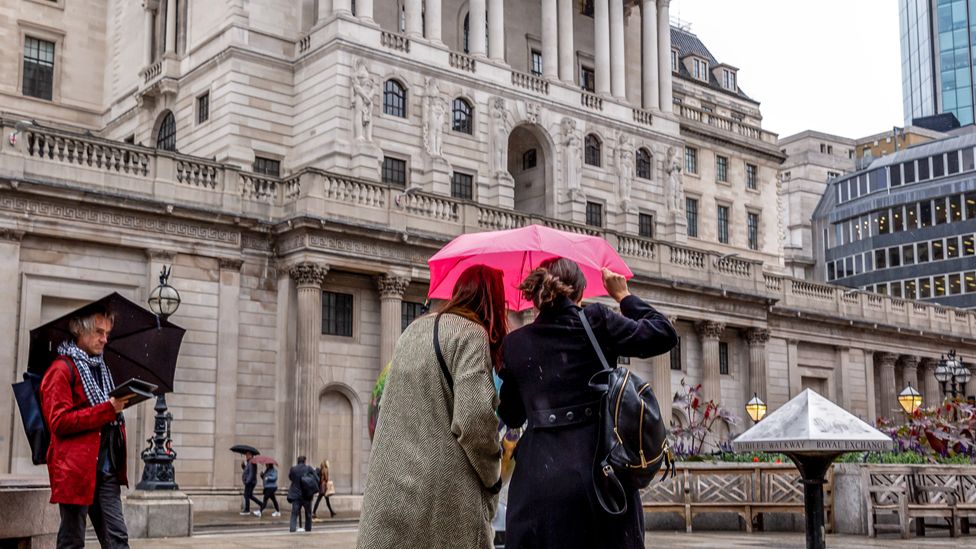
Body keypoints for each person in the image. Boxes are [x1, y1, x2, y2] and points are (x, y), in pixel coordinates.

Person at [498, 258, 678, 549]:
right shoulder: (596, 321)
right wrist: (624, 296)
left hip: (538, 484)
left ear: (537, 295)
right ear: (580, 292)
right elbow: (664, 334)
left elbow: (512, 415)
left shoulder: (515, 343)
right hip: (597, 476)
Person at [358, 265, 509, 549]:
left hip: (391, 489)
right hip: (442, 499)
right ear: (493, 301)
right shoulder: (470, 334)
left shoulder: (412, 331)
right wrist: (493, 477)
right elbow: (474, 420)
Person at [40, 305, 133, 549]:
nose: (105, 339)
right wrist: (108, 410)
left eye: (107, 333)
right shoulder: (60, 370)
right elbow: (58, 422)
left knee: (118, 539)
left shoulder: (103, 369)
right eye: (99, 332)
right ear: (78, 331)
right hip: (75, 471)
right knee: (72, 541)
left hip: (106, 469)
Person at [287, 456, 315, 533]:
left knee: (294, 513)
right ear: (304, 461)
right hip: (307, 495)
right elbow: (315, 477)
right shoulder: (308, 468)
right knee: (308, 514)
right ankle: (308, 528)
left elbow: (290, 478)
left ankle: (292, 528)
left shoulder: (293, 469)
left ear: (298, 461)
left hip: (296, 494)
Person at [241, 451, 262, 516]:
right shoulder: (249, 462)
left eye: (248, 454)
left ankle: (247, 510)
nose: (246, 456)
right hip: (250, 481)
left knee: (246, 495)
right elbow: (247, 471)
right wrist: (243, 466)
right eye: (246, 454)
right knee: (249, 495)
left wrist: (247, 481)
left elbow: (251, 473)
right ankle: (261, 504)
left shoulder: (252, 462)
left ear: (251, 455)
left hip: (250, 482)